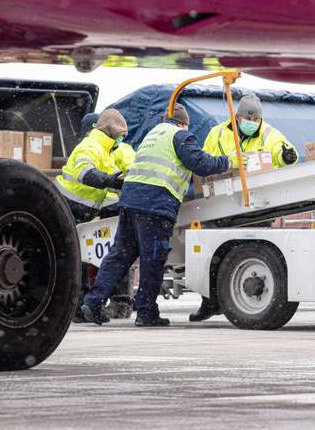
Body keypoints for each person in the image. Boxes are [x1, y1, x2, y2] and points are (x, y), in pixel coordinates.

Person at [81, 104, 232, 327]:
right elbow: (200, 164)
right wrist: (227, 161)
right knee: (153, 260)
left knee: (120, 255)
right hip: (154, 205)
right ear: (183, 123)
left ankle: (93, 303)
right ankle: (146, 312)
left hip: (131, 199)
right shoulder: (180, 135)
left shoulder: (153, 135)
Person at [189, 93, 298, 322]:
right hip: (220, 202)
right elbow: (206, 161)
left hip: (255, 205)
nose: (252, 123)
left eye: (256, 119)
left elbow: (283, 151)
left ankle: (217, 301)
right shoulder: (217, 133)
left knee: (249, 251)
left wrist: (287, 156)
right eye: (248, 118)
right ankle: (209, 303)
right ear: (237, 117)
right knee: (211, 256)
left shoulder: (269, 133)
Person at [58, 109, 135, 321]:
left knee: (81, 256)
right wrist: (113, 182)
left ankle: (81, 305)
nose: (122, 140)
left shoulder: (108, 150)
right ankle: (76, 306)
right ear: (111, 133)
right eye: (120, 136)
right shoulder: (91, 146)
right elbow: (86, 174)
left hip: (84, 209)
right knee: (76, 257)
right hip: (70, 206)